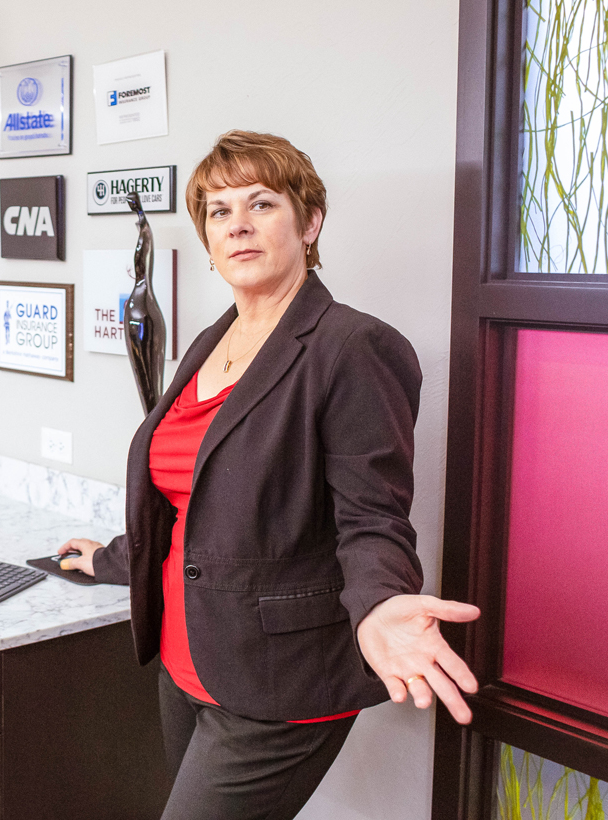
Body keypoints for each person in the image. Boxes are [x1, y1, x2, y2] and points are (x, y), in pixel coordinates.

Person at [58, 131, 480, 820]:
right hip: (186, 660)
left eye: (261, 203)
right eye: (218, 211)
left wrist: (378, 604)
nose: (238, 225)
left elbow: (372, 515)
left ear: (309, 223)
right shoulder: (211, 340)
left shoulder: (353, 346)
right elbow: (189, 500)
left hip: (279, 680)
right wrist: (112, 558)